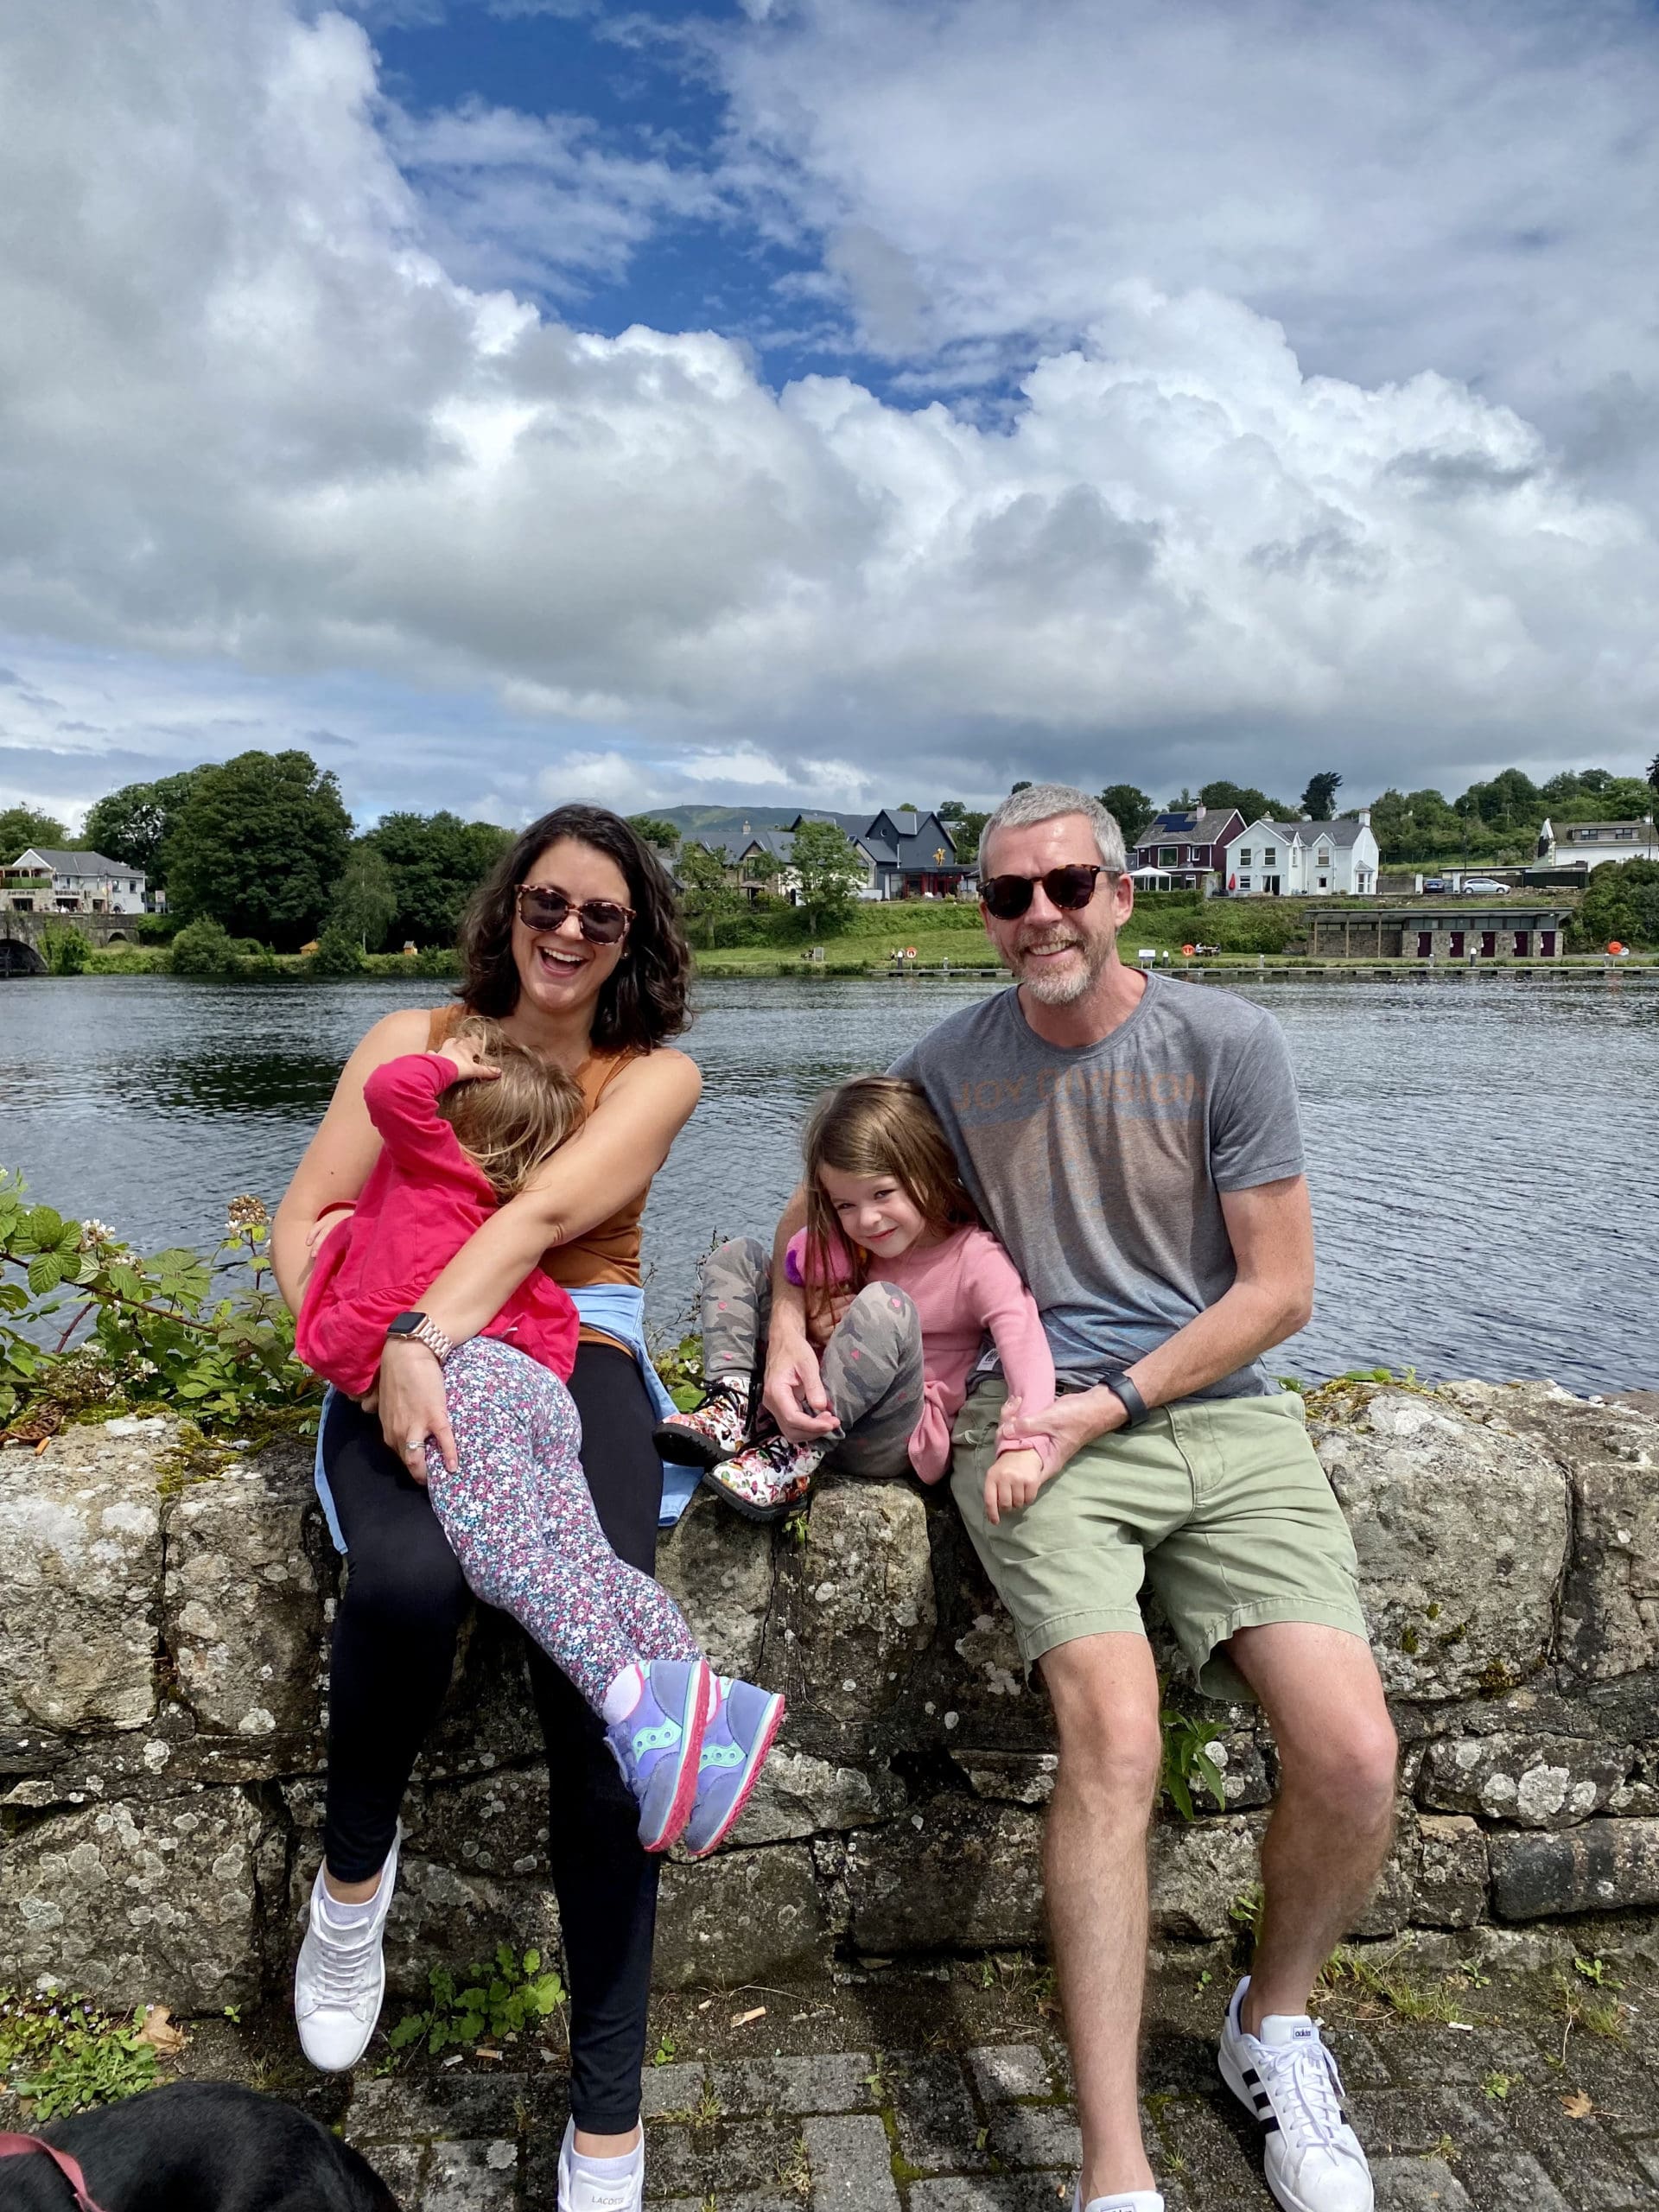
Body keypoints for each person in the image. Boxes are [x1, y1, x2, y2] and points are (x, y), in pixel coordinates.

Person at [760, 785, 1397, 2212]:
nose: (1039, 913)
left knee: (1353, 1753)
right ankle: (1117, 2168)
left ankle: (1271, 2025)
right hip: (1030, 1431)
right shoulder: (952, 1061)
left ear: (1121, 894)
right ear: (985, 915)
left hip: (1211, 1418)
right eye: (1008, 895)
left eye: (1066, 885)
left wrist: (1116, 1400)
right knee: (1113, 1733)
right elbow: (831, 1205)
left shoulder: (1228, 1043)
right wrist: (791, 1332)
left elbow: (1279, 1291)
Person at [272, 805, 704, 2212]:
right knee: (404, 1584)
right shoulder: (408, 1044)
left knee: (604, 1704)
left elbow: (535, 1221)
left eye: (603, 917)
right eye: (547, 903)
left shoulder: (652, 1075)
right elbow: (310, 1216)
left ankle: (607, 2120)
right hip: (391, 1331)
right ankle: (350, 1895)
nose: (568, 933)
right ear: (508, 905)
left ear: (636, 939)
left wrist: (422, 1336)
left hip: (574, 1347)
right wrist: (356, 1339)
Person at [293, 1014, 784, 1857]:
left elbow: (386, 1094)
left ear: (451, 1131)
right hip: (541, 1388)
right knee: (589, 1560)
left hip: (470, 1384)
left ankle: (637, 1714)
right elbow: (552, 1322)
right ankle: (713, 1706)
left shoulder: (424, 1178)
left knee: (507, 1560)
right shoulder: (497, 1234)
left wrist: (442, 1065)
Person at [657, 1074, 1055, 1523]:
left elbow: (1026, 1346)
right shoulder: (853, 1247)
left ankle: (792, 1461)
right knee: (739, 1256)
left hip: (890, 1434)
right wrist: (813, 1323)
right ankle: (733, 1409)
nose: (866, 1219)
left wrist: (1025, 1447)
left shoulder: (975, 1258)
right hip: (812, 1397)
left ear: (927, 1171)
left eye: (883, 1193)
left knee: (886, 1304)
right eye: (844, 1205)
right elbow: (803, 1276)